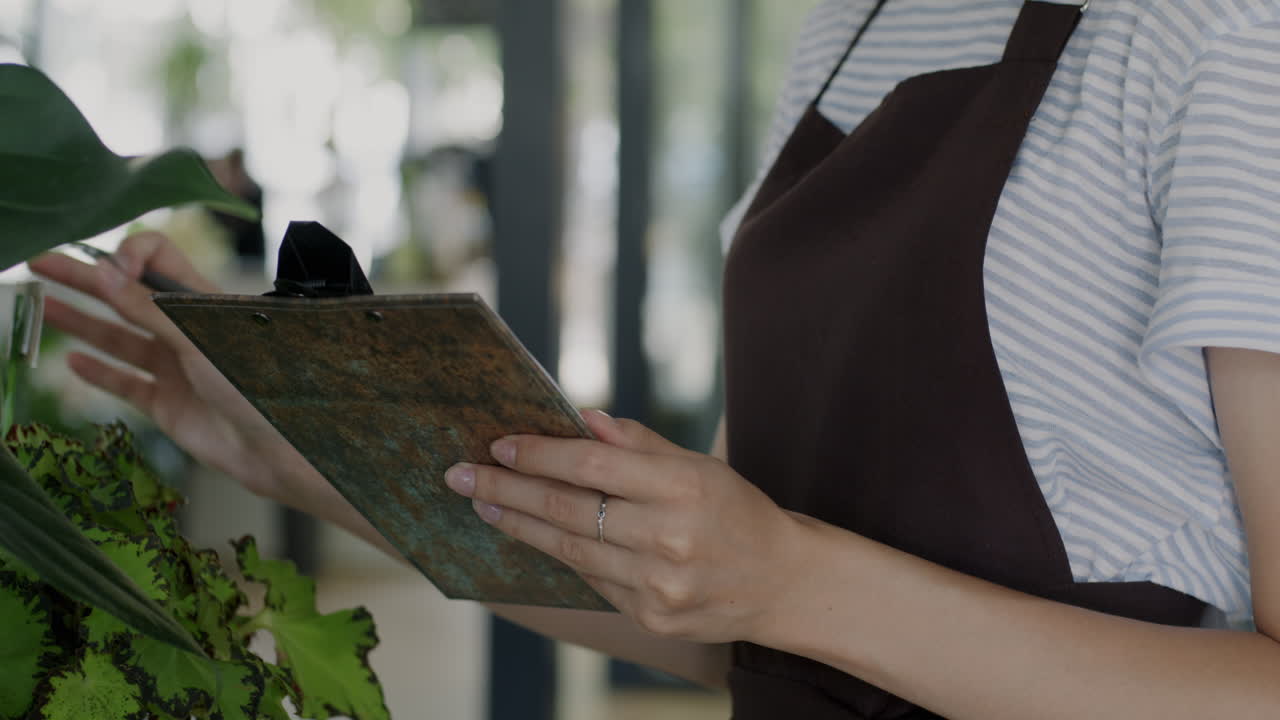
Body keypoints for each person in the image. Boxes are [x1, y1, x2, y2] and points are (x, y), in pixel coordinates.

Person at [28, 0, 1280, 717]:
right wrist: (308, 444)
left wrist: (787, 580)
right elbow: (707, 618)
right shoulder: (850, 24)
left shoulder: (1215, 37)